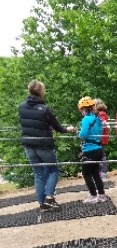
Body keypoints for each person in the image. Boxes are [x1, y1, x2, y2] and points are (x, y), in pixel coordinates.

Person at [18, 79, 76, 210]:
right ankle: (49, 197)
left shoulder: (21, 107)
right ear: (41, 91)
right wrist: (68, 129)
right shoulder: (45, 109)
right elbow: (58, 127)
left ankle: (42, 203)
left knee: (38, 173)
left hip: (28, 145)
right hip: (44, 145)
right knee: (54, 170)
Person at [77, 96, 108, 203]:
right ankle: (101, 195)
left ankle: (93, 195)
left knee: (86, 174)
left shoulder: (86, 119)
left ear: (83, 109)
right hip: (98, 149)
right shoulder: (97, 119)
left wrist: (78, 134)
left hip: (89, 149)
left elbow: (83, 134)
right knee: (95, 174)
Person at [93, 98, 110, 178]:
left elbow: (101, 125)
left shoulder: (101, 114)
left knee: (101, 155)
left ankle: (103, 172)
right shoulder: (99, 114)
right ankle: (100, 172)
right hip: (99, 137)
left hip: (100, 138)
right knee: (98, 155)